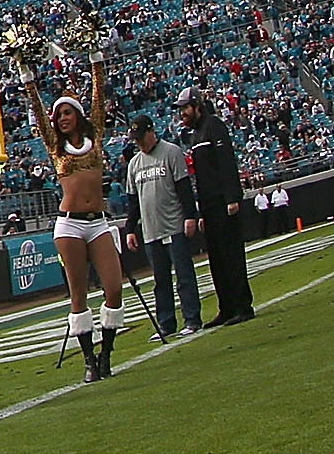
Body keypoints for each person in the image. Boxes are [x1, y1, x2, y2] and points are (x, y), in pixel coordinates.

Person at [13, 35, 127, 379]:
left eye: (66, 112)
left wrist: (95, 58)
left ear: (77, 115)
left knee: (114, 287)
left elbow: (98, 95)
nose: (61, 118)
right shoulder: (54, 146)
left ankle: (107, 353)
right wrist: (27, 75)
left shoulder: (96, 137)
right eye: (57, 114)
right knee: (78, 293)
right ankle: (90, 361)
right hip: (70, 224)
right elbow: (37, 110)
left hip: (99, 222)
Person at [120, 115, 204, 340]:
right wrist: (130, 230)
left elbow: (183, 187)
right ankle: (166, 323)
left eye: (140, 138)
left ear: (151, 132)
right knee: (160, 280)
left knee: (184, 275)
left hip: (174, 226)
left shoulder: (171, 152)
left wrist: (190, 216)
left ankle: (192, 319)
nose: (138, 143)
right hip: (150, 230)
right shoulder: (134, 164)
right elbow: (133, 202)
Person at [178, 90, 256, 326]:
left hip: (223, 202)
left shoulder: (214, 126)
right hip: (209, 205)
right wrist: (202, 211)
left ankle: (243, 305)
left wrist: (233, 197)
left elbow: (226, 162)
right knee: (217, 259)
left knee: (231, 255)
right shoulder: (195, 135)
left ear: (197, 106)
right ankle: (227, 307)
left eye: (185, 108)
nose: (183, 114)